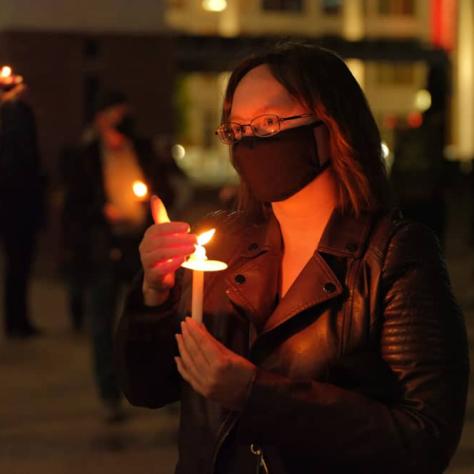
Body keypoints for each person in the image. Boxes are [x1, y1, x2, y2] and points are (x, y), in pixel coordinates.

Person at [115, 43, 469, 473]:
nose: (249, 141)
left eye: (267, 122)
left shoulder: (393, 257)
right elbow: (148, 387)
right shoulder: (225, 246)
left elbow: (423, 438)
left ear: (329, 127)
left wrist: (256, 393)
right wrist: (154, 295)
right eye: (236, 130)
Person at [61, 90, 174, 421]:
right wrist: (102, 211)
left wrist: (151, 201)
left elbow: (164, 187)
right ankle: (110, 393)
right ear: (101, 118)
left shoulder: (141, 149)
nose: (122, 121)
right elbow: (74, 207)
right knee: (103, 322)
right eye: (115, 114)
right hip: (103, 248)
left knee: (157, 316)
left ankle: (163, 389)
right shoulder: (84, 157)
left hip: (141, 245)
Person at [0, 69, 45, 339]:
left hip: (19, 201)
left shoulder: (19, 114)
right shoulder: (13, 116)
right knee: (18, 263)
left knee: (19, 265)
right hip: (15, 202)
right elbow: (20, 160)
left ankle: (18, 320)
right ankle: (16, 321)